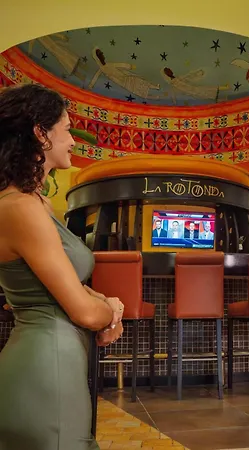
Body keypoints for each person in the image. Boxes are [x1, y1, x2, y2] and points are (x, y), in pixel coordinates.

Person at [0, 84, 125, 450]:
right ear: (41, 133)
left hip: (53, 358)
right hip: (46, 366)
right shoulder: (21, 208)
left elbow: (59, 283)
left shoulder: (35, 203)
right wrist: (111, 311)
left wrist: (101, 301)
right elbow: (84, 313)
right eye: (67, 129)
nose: (73, 141)